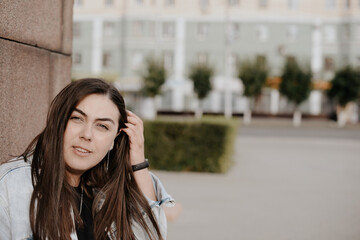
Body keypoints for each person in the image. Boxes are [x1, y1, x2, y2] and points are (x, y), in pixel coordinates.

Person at [0, 78, 174, 240]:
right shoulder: (14, 184)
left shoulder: (105, 194)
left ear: (115, 137)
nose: (87, 135)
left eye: (102, 126)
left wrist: (138, 162)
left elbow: (150, 235)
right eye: (77, 118)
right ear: (59, 121)